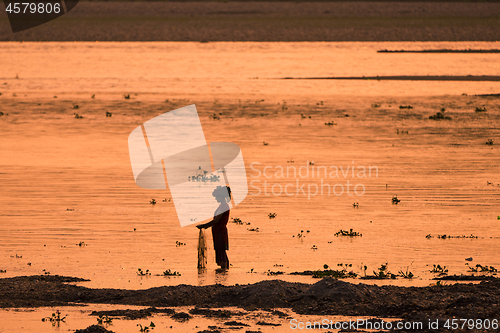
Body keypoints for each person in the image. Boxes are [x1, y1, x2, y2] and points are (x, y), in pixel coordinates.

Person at [197, 186, 231, 270]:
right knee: (221, 251)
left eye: (217, 197)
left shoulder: (223, 206)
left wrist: (204, 226)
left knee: (221, 252)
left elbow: (216, 221)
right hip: (218, 231)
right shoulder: (223, 206)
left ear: (222, 196)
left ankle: (223, 271)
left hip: (220, 232)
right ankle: (224, 273)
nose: (216, 198)